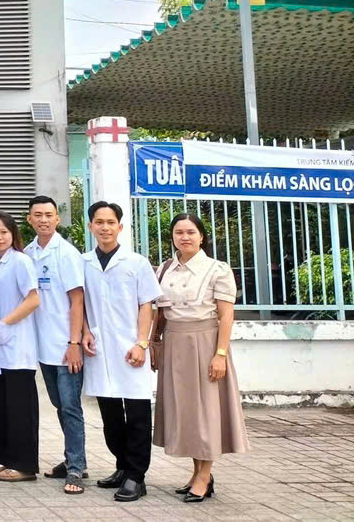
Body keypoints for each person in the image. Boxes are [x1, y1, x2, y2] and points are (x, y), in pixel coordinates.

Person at [150, 213, 248, 503]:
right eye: (179, 232)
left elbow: (226, 315)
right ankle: (197, 473)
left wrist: (220, 354)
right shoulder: (165, 269)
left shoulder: (217, 269)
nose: (185, 237)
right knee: (187, 413)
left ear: (202, 236)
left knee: (206, 412)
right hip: (174, 344)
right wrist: (155, 341)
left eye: (191, 232)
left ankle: (205, 476)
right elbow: (160, 312)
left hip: (205, 343)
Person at [81, 201, 162, 502]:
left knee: (138, 415)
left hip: (131, 348)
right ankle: (122, 466)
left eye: (110, 222)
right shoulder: (83, 262)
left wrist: (142, 343)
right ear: (90, 226)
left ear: (120, 227)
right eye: (99, 222)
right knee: (111, 416)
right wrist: (85, 331)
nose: (105, 227)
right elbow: (79, 302)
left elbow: (147, 304)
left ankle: (136, 476)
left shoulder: (136, 263)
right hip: (100, 349)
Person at [25, 195, 89, 494]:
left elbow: (77, 300)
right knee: (59, 405)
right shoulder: (28, 253)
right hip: (42, 347)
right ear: (30, 219)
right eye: (38, 215)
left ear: (57, 218)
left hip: (66, 346)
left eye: (49, 215)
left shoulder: (67, 253)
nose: (44, 220)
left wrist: (74, 342)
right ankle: (74, 459)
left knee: (71, 407)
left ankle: (75, 469)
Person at [0, 212, 41, 483]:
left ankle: (24, 465)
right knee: (0, 406)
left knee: (19, 409)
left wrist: (5, 323)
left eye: (3, 232)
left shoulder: (20, 261)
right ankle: (3, 458)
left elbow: (33, 299)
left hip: (16, 346)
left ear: (13, 234)